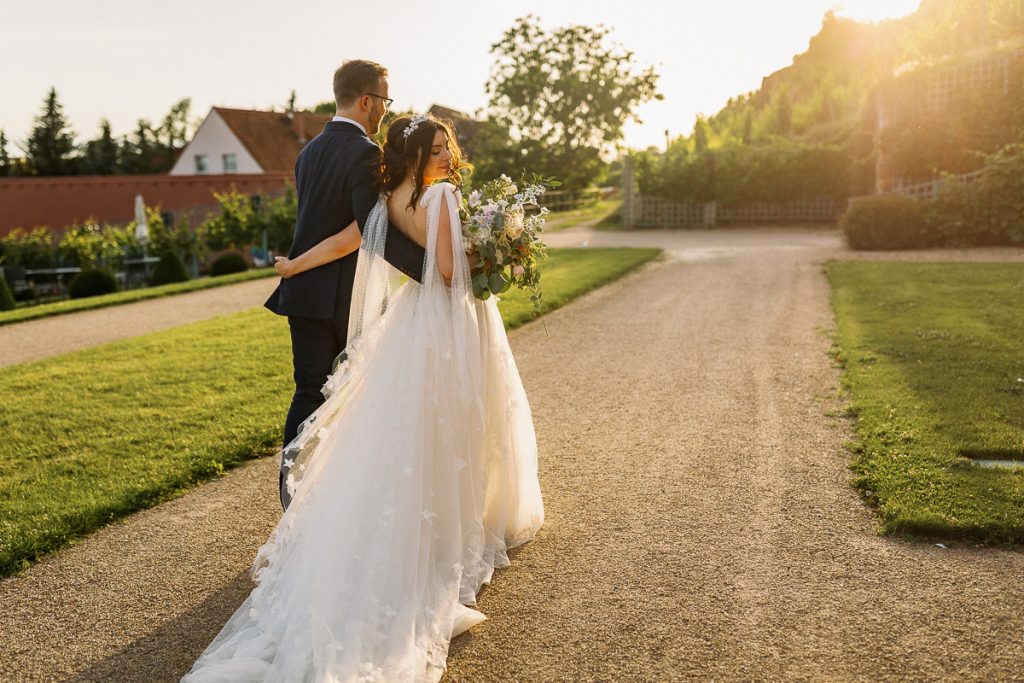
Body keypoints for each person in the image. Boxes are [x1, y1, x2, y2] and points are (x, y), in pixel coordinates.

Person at [181, 112, 544, 682]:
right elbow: (448, 272)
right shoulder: (444, 194)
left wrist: (296, 263)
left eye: (447, 147)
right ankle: (461, 523)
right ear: (418, 156)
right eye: (436, 149)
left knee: (416, 424)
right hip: (449, 317)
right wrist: (497, 254)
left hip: (413, 320)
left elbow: (352, 239)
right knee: (461, 414)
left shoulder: (390, 195)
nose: (447, 157)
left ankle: (427, 520)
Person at [263, 59, 427, 510]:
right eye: (384, 101)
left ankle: (294, 492)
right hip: (342, 298)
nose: (385, 112)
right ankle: (351, 497)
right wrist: (432, 271)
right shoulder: (363, 152)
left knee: (308, 390)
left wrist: (297, 267)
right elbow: (369, 229)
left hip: (303, 295)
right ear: (367, 100)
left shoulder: (307, 152)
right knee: (361, 394)